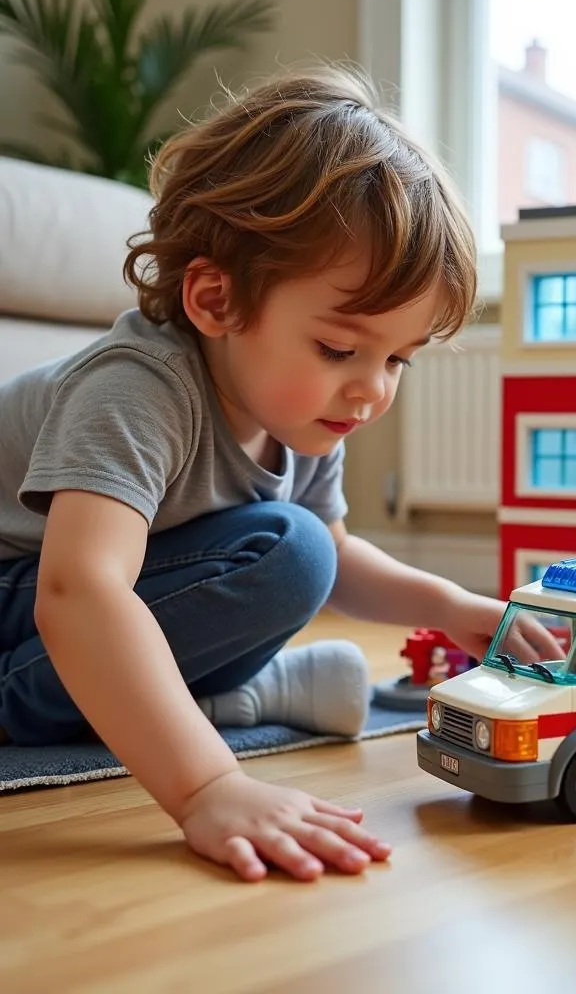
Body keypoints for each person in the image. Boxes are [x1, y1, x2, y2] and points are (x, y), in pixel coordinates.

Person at [0, 65, 534, 883]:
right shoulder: (136, 389)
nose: (372, 388)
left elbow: (335, 557)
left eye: (398, 359)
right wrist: (208, 786)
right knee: (290, 552)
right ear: (215, 300)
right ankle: (173, 717)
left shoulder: (307, 413)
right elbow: (79, 592)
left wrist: (454, 606)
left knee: (298, 554)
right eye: (338, 348)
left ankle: (191, 706)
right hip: (24, 590)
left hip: (61, 604)